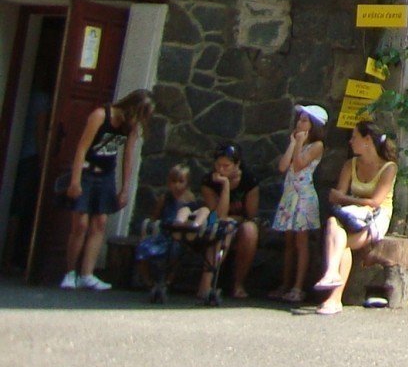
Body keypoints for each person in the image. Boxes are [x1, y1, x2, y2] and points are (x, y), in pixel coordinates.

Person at [59, 87, 153, 291]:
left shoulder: (129, 127)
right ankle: (70, 272)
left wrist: (125, 188)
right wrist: (75, 181)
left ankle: (87, 273)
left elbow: (128, 155)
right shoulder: (101, 115)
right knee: (81, 224)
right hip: (87, 172)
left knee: (100, 222)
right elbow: (82, 148)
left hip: (106, 174)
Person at [312, 121, 396, 316]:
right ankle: (332, 278)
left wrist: (349, 199)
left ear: (367, 140)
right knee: (333, 223)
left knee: (341, 244)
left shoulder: (389, 168)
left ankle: (334, 297)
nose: (350, 142)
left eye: (354, 137)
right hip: (353, 215)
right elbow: (336, 197)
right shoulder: (350, 164)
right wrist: (353, 201)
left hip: (376, 217)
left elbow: (375, 202)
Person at [268, 104, 326, 304]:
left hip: (303, 196)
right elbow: (284, 166)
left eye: (304, 120)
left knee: (301, 242)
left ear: (313, 125)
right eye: (299, 120)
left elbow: (300, 164)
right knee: (289, 242)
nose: (299, 123)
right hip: (290, 195)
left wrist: (299, 144)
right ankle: (285, 283)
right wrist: (293, 143)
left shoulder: (317, 145)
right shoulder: (297, 142)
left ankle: (298, 286)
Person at [195, 142, 261, 303]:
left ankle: (238, 284)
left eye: (226, 166)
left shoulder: (249, 180)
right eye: (218, 165)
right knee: (222, 229)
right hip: (218, 222)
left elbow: (250, 214)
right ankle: (206, 284)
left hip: (241, 223)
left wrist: (235, 219)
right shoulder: (208, 181)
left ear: (236, 164)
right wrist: (225, 185)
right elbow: (219, 214)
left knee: (250, 231)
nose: (221, 170)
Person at [134, 164, 207, 303]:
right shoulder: (165, 198)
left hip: (179, 235)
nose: (177, 186)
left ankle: (167, 282)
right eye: (174, 182)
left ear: (187, 184)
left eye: (181, 182)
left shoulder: (190, 200)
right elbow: (156, 217)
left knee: (176, 250)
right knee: (142, 248)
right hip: (164, 233)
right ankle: (149, 282)